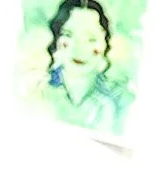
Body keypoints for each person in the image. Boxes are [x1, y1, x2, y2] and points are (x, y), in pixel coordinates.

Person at [43, 0, 127, 137]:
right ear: (56, 40)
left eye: (91, 39)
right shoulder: (39, 92)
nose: (79, 49)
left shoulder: (119, 101)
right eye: (68, 35)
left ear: (105, 44)